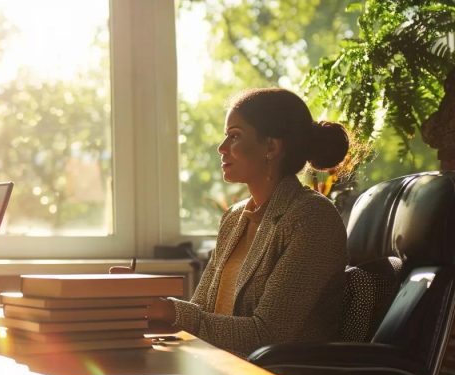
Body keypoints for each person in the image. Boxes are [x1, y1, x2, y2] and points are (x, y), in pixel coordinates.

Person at [146, 88, 350, 356]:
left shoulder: (311, 217)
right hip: (217, 367)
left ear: (271, 147)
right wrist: (143, 299)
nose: (221, 148)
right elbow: (200, 313)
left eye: (235, 136)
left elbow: (267, 335)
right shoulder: (234, 218)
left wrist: (169, 310)